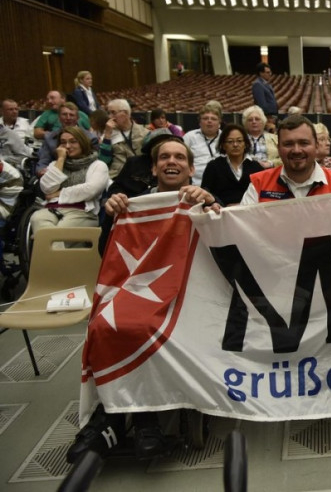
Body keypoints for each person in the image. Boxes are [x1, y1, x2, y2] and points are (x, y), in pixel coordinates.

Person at [74, 138, 219, 462]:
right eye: (164, 157)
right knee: (103, 325)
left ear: (191, 168)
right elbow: (107, 251)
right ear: (154, 168)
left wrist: (211, 202)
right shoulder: (133, 204)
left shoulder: (202, 200)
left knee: (143, 326)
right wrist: (111, 216)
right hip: (141, 292)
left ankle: (134, 419)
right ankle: (120, 417)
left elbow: (227, 240)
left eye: (179, 157)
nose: (172, 161)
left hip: (192, 295)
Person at [241, 115, 331, 203]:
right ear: (278, 148)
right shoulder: (259, 184)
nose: (296, 150)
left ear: (316, 146)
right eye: (288, 144)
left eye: (304, 143)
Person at [31, 126, 108, 232]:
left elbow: (90, 190)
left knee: (60, 231)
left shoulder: (98, 165)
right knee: (37, 218)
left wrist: (59, 193)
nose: (67, 146)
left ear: (82, 143)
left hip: (82, 212)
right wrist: (61, 159)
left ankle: (48, 242)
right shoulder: (55, 164)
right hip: (52, 209)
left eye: (73, 142)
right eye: (63, 142)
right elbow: (47, 188)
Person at [201, 124, 264, 206]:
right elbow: (206, 193)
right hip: (221, 210)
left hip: (251, 210)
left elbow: (263, 193)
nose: (235, 145)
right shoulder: (213, 166)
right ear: (223, 145)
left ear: (245, 144)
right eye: (230, 141)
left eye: (239, 141)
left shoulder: (256, 167)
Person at [36, 102, 94, 174]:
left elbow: (94, 161)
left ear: (77, 118)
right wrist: (41, 171)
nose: (68, 118)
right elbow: (43, 162)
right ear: (59, 118)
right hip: (56, 172)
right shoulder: (49, 138)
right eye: (64, 114)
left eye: (72, 115)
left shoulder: (91, 138)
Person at [101, 98, 149, 178]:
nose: (110, 117)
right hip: (117, 176)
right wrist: (107, 135)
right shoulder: (108, 134)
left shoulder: (144, 133)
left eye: (113, 113)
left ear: (125, 113)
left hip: (140, 174)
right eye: (108, 113)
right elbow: (104, 160)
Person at [183, 105, 222, 185]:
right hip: (195, 184)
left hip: (222, 183)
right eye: (205, 118)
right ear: (200, 122)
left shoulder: (226, 137)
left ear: (219, 123)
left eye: (213, 119)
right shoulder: (190, 137)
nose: (209, 121)